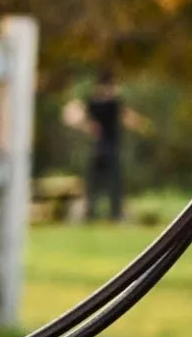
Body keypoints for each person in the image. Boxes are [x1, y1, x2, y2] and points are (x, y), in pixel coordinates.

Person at [61, 69, 149, 222]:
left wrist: (88, 126)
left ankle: (98, 213)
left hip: (100, 148)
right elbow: (126, 116)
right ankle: (107, 213)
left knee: (97, 184)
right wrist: (142, 125)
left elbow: (77, 117)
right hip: (106, 149)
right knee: (108, 183)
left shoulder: (97, 102)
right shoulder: (108, 102)